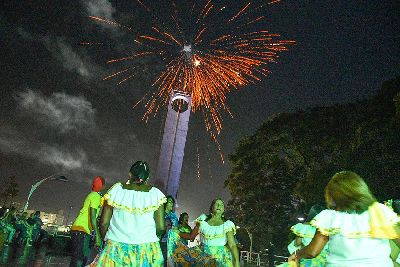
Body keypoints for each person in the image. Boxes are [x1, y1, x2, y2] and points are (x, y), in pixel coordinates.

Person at [288, 171, 400, 266]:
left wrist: (297, 254)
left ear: (333, 196)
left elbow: (313, 252)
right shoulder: (380, 211)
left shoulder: (330, 217)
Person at [90, 161, 166, 266]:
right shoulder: (156, 194)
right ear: (147, 178)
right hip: (147, 249)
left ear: (130, 174)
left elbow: (103, 223)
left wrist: (107, 239)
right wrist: (150, 237)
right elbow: (161, 227)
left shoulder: (116, 191)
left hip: (116, 248)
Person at [181, 198, 240, 267]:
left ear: (224, 210)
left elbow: (232, 245)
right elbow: (191, 236)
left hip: (220, 260)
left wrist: (237, 262)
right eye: (216, 204)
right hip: (203, 257)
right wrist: (178, 233)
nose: (219, 206)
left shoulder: (227, 224)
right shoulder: (202, 220)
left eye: (221, 205)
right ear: (212, 207)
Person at [70, 176, 105, 267]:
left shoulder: (91, 195)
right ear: (103, 187)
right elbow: (93, 217)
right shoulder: (96, 196)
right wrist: (98, 236)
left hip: (79, 229)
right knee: (79, 260)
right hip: (81, 230)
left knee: (78, 258)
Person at [161, 196, 178, 266]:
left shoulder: (174, 216)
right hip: (162, 241)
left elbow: (176, 229)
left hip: (171, 243)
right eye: (170, 202)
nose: (172, 204)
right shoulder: (161, 214)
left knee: (171, 262)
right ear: (165, 203)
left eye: (173, 203)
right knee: (163, 261)